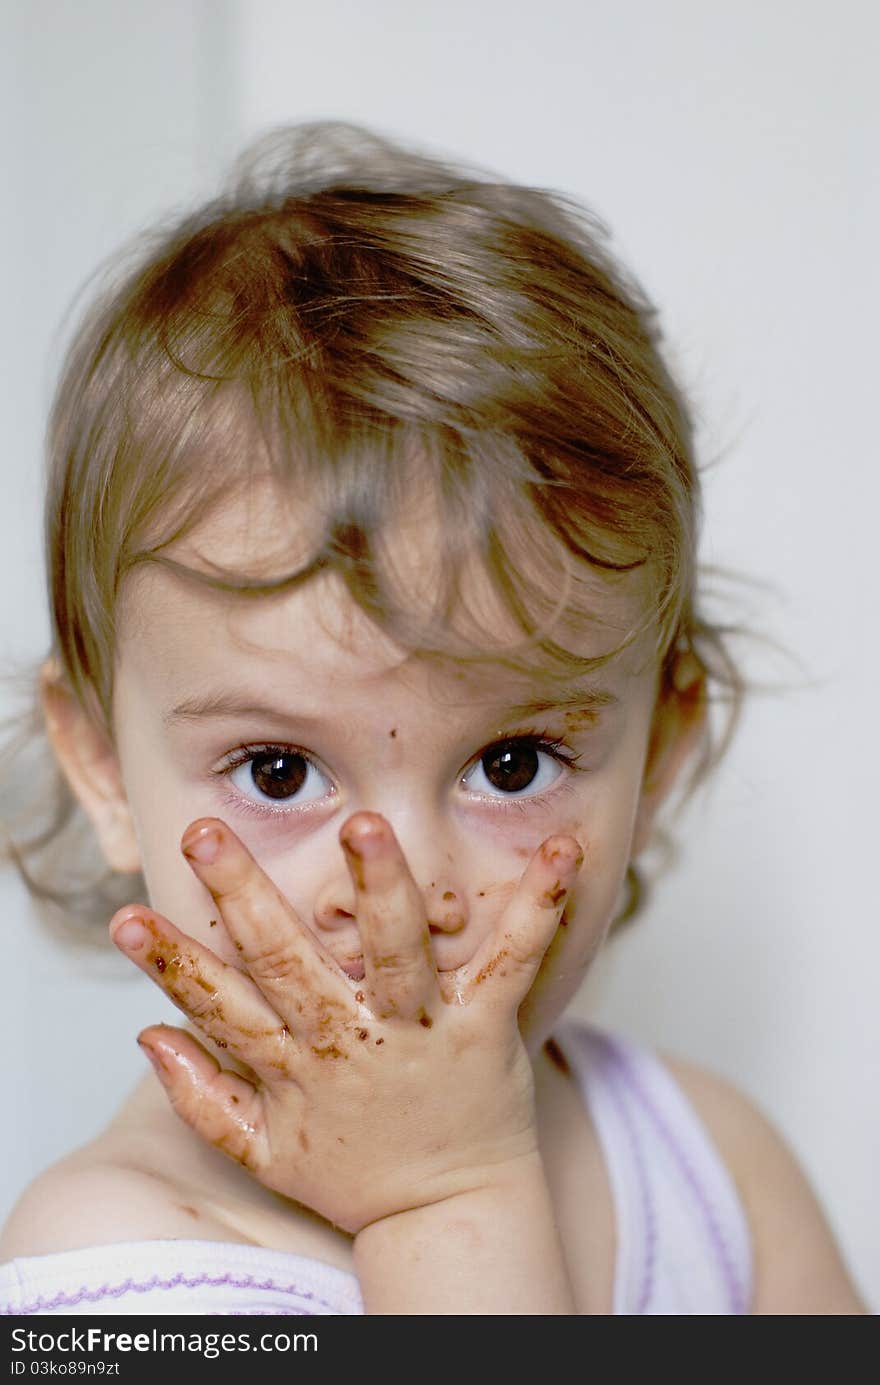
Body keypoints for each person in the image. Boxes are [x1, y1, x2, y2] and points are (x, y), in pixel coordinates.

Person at [0, 120, 868, 1316]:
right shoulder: (115, 1271)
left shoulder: (715, 1168)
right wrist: (448, 1197)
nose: (398, 881)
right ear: (101, 765)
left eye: (512, 762)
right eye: (277, 767)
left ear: (658, 751)